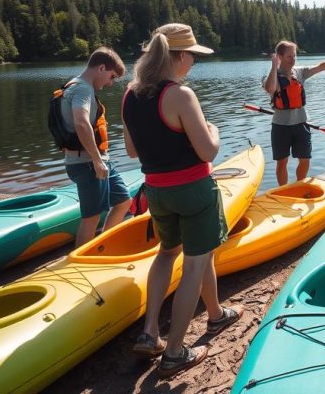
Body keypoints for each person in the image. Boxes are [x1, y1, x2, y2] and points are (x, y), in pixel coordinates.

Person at [122, 23, 241, 379]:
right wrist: (215, 133)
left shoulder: (130, 94)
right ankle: (174, 352)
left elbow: (131, 151)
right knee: (195, 262)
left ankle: (153, 331)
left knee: (168, 254)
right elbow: (207, 150)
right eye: (192, 56)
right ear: (179, 56)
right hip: (193, 192)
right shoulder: (180, 95)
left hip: (156, 192)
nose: (193, 63)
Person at [59, 46, 132, 247]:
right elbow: (81, 122)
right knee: (91, 217)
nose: (111, 83)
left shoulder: (74, 85)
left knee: (123, 201)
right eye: (111, 76)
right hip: (88, 163)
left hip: (94, 161)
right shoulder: (82, 88)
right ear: (101, 68)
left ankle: (102, 246)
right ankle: (79, 265)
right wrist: (97, 160)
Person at [263, 41, 325, 185]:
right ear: (279, 57)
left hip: (301, 124)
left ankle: (299, 186)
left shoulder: (299, 72)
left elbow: (320, 67)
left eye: (294, 56)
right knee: (282, 162)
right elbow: (270, 88)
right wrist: (274, 67)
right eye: (289, 56)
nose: (293, 59)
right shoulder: (270, 76)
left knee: (305, 160)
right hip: (281, 126)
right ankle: (283, 190)